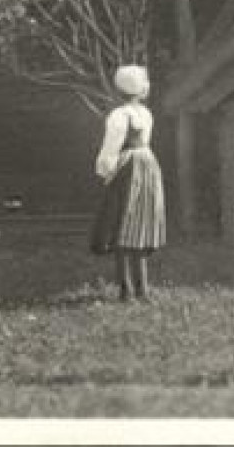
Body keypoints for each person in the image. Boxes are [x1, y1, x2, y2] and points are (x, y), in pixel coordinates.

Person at [88, 64, 167, 300]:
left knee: (122, 223)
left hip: (128, 168)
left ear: (118, 90)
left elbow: (111, 148)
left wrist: (105, 170)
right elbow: (144, 141)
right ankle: (140, 289)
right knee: (138, 225)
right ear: (140, 90)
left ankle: (128, 289)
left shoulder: (119, 116)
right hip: (148, 164)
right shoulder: (146, 114)